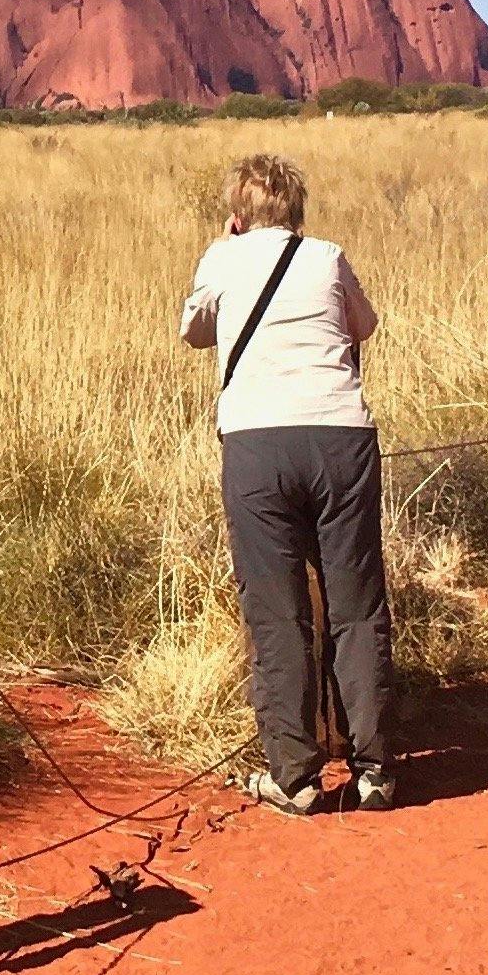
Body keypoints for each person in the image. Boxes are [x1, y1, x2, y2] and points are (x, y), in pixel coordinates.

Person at [179, 152, 396, 815]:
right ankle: (375, 770)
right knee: (357, 606)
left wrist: (227, 249)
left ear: (238, 212)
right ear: (297, 208)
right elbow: (365, 326)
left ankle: (294, 777)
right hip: (341, 437)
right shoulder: (328, 256)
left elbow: (193, 333)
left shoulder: (222, 256)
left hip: (256, 442)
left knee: (276, 613)